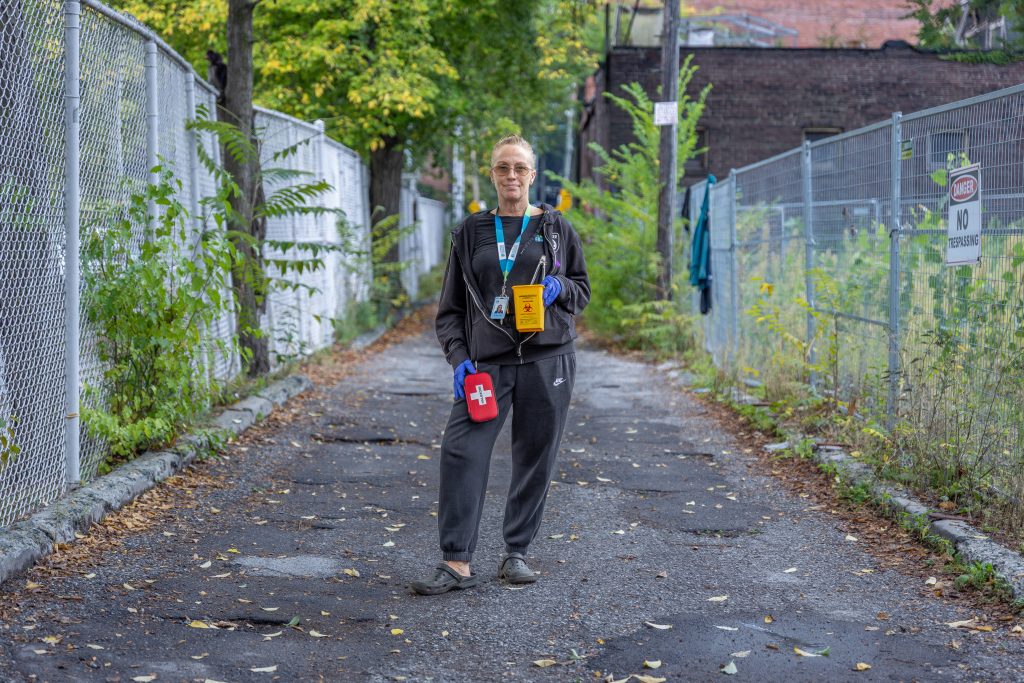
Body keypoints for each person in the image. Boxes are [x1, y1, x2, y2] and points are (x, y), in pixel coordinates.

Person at [411, 134, 590, 595]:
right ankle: (456, 562)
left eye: (520, 168)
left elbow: (582, 289)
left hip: (548, 359)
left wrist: (560, 290)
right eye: (502, 168)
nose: (511, 176)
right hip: (486, 363)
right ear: (491, 175)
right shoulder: (471, 231)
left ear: (533, 176)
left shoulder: (556, 228)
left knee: (535, 456)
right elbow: (450, 311)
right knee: (461, 450)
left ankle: (516, 553)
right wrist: (459, 359)